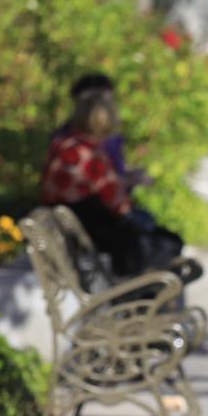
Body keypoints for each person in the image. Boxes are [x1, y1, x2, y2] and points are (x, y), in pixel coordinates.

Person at [41, 88, 188, 279]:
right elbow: (120, 206)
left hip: (69, 230)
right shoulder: (93, 157)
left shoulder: (62, 144)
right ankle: (146, 303)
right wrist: (133, 182)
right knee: (169, 242)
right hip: (94, 237)